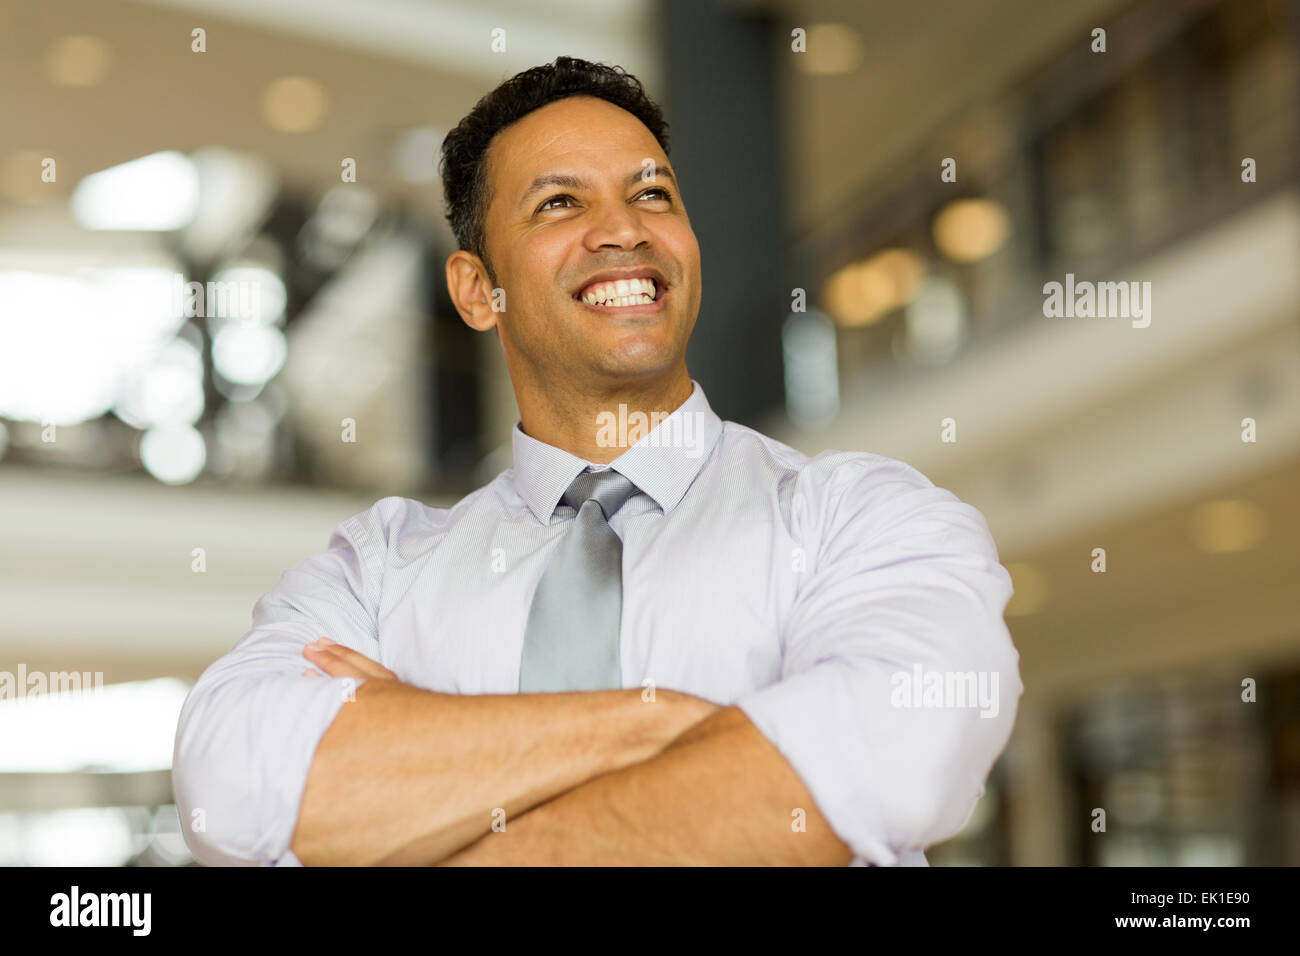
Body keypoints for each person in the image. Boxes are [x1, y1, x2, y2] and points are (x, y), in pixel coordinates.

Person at [173, 56, 1023, 866]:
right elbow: (235, 789)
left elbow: (894, 755)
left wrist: (418, 758)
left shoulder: (862, 516)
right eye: (558, 204)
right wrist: (665, 725)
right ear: (477, 290)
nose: (622, 230)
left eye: (652, 193)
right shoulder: (376, 571)